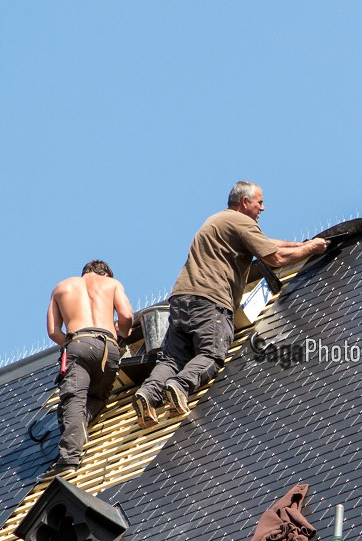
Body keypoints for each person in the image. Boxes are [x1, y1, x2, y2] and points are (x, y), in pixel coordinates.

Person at [133, 181, 329, 426]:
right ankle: (179, 386)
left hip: (181, 300)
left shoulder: (217, 220)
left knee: (171, 359)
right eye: (260, 202)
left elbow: (269, 243)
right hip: (211, 300)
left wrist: (301, 245)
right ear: (245, 202)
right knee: (211, 353)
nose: (263, 208)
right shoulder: (242, 222)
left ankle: (148, 394)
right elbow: (275, 258)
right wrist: (311, 249)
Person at [47, 260, 134, 475]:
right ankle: (80, 428)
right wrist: (122, 333)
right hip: (108, 347)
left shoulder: (62, 287)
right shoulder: (112, 284)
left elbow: (53, 331)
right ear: (105, 274)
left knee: (74, 398)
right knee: (97, 397)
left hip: (78, 343)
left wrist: (73, 343)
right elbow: (127, 316)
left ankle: (68, 458)